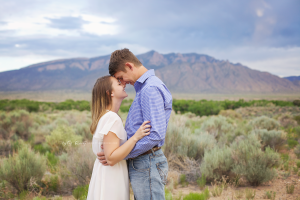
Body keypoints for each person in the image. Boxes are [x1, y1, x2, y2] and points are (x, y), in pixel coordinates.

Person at [97, 48, 173, 200]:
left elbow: (155, 135)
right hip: (145, 162)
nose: (123, 83)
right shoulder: (146, 88)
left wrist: (121, 154)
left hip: (146, 162)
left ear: (129, 66)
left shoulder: (149, 89)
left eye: (121, 77)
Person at [86, 75, 151, 200]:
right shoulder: (111, 118)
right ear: (110, 93)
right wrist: (136, 137)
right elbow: (111, 158)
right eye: (118, 83)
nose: (123, 84)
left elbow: (109, 154)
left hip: (106, 174)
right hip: (111, 177)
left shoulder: (105, 116)